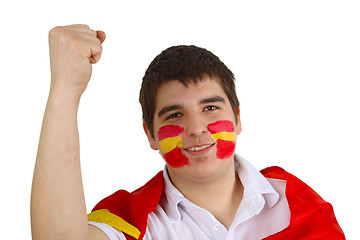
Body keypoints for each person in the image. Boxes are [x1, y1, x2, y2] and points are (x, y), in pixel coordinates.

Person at [31, 24, 345, 240]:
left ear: (237, 119)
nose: (195, 129)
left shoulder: (294, 201)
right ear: (150, 135)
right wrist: (65, 90)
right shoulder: (134, 220)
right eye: (175, 114)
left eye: (210, 108)